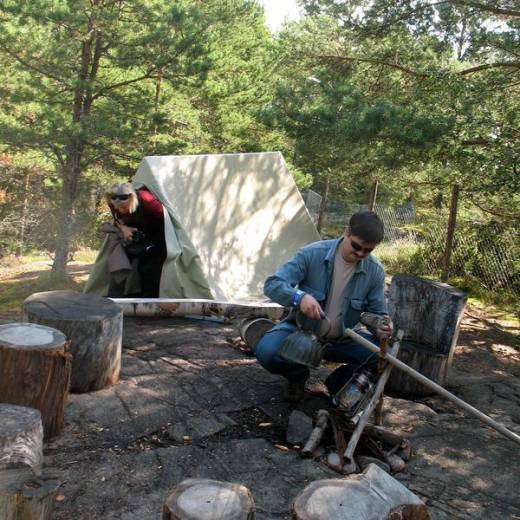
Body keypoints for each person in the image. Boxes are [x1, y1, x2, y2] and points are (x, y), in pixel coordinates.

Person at [255, 210, 393, 402]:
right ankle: (297, 376)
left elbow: (377, 315)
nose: (360, 254)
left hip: (342, 339)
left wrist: (382, 327)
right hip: (301, 332)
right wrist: (299, 298)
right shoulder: (312, 254)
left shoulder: (375, 271)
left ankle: (337, 384)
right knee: (267, 352)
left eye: (368, 250)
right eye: (356, 246)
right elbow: (273, 285)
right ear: (346, 232)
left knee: (386, 356)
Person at [104, 182, 167, 298]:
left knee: (147, 268)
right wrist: (123, 229)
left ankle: (149, 301)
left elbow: (167, 221)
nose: (121, 210)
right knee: (118, 263)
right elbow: (116, 219)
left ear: (132, 199)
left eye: (124, 207)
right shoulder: (112, 201)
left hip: (157, 233)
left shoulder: (147, 200)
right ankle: (114, 299)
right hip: (132, 234)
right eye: (117, 207)